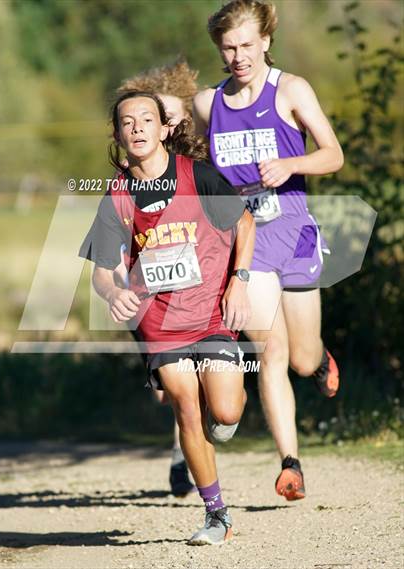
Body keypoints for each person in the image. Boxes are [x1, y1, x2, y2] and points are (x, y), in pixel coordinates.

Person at [80, 90, 255, 544]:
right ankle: (218, 516)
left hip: (212, 313)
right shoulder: (117, 195)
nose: (136, 127)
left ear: (164, 129)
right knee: (184, 405)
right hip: (159, 321)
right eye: (126, 121)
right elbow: (102, 272)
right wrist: (112, 292)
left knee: (225, 410)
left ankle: (226, 416)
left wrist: (239, 278)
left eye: (146, 120)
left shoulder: (197, 176)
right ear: (118, 134)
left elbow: (244, 223)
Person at [193, 0, 344, 501]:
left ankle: (322, 362)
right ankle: (290, 464)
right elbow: (194, 166)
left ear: (265, 42)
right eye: (228, 47)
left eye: (245, 45)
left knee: (301, 357)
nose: (237, 56)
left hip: (295, 235)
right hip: (247, 244)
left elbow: (334, 154)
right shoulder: (206, 104)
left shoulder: (292, 89)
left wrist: (290, 164)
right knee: (271, 350)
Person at [117, 59, 201, 498]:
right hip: (148, 290)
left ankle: (186, 455)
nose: (155, 128)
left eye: (169, 119)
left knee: (195, 382)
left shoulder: (198, 167)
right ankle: (182, 443)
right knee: (166, 392)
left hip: (197, 291)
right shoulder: (129, 174)